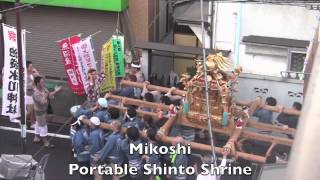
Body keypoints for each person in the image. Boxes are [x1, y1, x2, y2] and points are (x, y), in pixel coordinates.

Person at [32, 76, 62, 147]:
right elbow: (42, 102)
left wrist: (56, 91)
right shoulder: (36, 93)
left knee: (38, 123)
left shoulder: (43, 88)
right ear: (37, 83)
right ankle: (45, 142)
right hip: (39, 111)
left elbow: (49, 95)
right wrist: (46, 95)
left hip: (43, 110)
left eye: (43, 82)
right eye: (42, 82)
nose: (43, 83)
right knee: (43, 126)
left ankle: (36, 137)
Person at [26, 61, 40, 129]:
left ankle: (32, 123)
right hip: (28, 95)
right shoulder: (25, 76)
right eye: (30, 67)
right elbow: (28, 87)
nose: (32, 68)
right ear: (26, 68)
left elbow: (39, 80)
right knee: (29, 111)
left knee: (32, 110)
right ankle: (22, 122)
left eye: (32, 66)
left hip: (33, 94)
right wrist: (34, 78)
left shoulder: (32, 73)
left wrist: (37, 72)